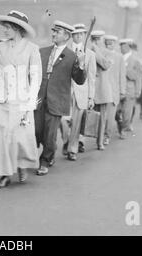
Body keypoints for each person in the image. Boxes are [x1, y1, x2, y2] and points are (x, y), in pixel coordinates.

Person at [0, 10, 42, 188]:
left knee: (21, 135)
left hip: (21, 99)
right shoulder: (0, 47)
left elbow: (36, 78)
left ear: (18, 29)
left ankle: (22, 165)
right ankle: (5, 173)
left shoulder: (32, 49)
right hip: (1, 99)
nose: (4, 30)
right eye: (4, 27)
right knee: (2, 137)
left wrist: (30, 102)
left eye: (8, 27)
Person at [35, 20, 86, 176]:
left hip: (56, 101)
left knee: (50, 133)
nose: (53, 34)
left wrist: (81, 64)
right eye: (53, 31)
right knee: (36, 131)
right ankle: (50, 150)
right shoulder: (42, 51)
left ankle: (45, 160)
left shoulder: (72, 57)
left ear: (66, 36)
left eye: (57, 32)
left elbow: (79, 80)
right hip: (38, 98)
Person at [65, 23, 96, 160]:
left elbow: (91, 78)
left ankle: (72, 149)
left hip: (81, 93)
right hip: (65, 91)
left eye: (81, 34)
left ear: (84, 36)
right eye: (75, 34)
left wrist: (91, 98)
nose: (78, 36)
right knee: (63, 121)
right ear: (71, 36)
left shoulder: (90, 54)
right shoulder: (65, 51)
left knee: (77, 123)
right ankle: (67, 140)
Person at [89, 30, 112, 150]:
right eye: (96, 39)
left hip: (102, 90)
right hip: (90, 88)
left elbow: (106, 65)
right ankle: (81, 142)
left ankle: (100, 141)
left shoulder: (107, 52)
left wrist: (95, 50)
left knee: (102, 118)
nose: (98, 42)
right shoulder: (88, 50)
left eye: (99, 39)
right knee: (84, 116)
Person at [103, 35, 126, 143]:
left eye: (111, 43)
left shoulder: (119, 57)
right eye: (107, 43)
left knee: (111, 117)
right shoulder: (101, 55)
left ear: (115, 44)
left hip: (113, 91)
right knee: (102, 116)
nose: (109, 45)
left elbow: (122, 75)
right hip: (102, 90)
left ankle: (107, 136)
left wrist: (122, 91)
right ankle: (100, 136)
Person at [119, 39, 142, 134]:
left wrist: (138, 91)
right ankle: (123, 125)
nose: (121, 48)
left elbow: (138, 77)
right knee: (116, 111)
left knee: (127, 111)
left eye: (123, 46)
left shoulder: (135, 60)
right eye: (120, 46)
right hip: (118, 89)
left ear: (128, 47)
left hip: (129, 89)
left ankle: (123, 129)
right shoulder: (118, 57)